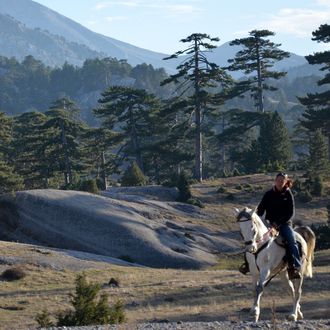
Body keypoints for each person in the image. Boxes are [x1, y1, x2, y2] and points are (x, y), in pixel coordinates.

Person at [239, 172, 301, 279]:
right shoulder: (268, 194)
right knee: (251, 239)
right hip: (269, 223)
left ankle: (294, 266)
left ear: (285, 182)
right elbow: (261, 209)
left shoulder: (288, 194)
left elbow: (290, 213)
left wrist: (279, 223)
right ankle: (248, 265)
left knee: (291, 241)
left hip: (284, 224)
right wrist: (255, 218)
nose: (280, 183)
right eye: (278, 181)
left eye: (282, 181)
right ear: (275, 181)